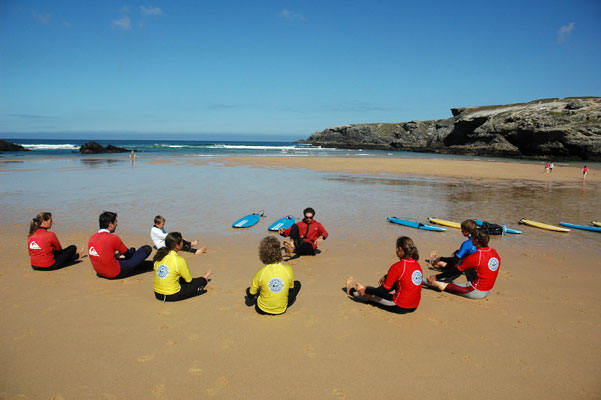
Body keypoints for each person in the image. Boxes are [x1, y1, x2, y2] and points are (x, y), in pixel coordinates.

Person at [346, 236, 422, 314]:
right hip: (414, 306)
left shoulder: (397, 266)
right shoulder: (417, 265)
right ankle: (366, 290)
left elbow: (382, 291)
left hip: (400, 305)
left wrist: (366, 290)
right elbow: (405, 276)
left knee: (371, 296)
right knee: (376, 290)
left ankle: (351, 291)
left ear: (400, 249)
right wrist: (386, 277)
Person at [425, 228, 501, 299]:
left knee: (441, 284)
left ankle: (438, 282)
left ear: (477, 240)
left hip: (475, 291)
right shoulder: (494, 252)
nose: (471, 240)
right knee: (464, 262)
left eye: (473, 238)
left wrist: (436, 276)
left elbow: (455, 271)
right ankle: (446, 280)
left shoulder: (476, 256)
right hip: (488, 290)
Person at [245, 236, 301, 315]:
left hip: (261, 309)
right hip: (281, 310)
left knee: (256, 288)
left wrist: (247, 291)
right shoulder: (288, 269)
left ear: (262, 255)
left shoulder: (260, 273)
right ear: (279, 252)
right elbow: (291, 289)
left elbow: (251, 296)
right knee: (297, 284)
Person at [88, 211, 153, 279]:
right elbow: (129, 254)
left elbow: (102, 254)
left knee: (131, 260)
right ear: (110, 224)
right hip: (114, 273)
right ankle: (154, 264)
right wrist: (133, 249)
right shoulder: (113, 238)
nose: (116, 225)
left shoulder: (92, 238)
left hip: (100, 272)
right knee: (146, 249)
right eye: (116, 223)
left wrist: (116, 256)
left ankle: (150, 264)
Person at [152, 232, 212, 302]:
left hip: (157, 294)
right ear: (177, 246)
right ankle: (205, 278)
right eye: (182, 242)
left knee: (178, 278)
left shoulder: (159, 256)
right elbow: (189, 280)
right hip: (171, 295)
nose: (183, 243)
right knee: (200, 281)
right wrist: (202, 279)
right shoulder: (179, 260)